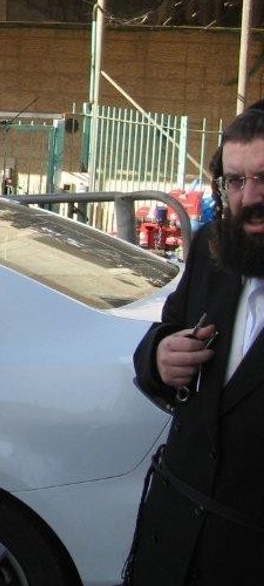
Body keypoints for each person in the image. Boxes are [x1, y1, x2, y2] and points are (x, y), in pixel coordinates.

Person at [124, 101, 264, 585]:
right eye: (236, 181)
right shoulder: (213, 248)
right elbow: (162, 337)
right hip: (175, 541)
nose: (250, 197)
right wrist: (160, 357)